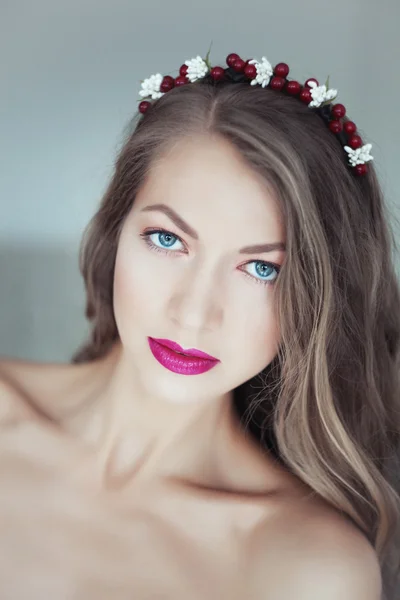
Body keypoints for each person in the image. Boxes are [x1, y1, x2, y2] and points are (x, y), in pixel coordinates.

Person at [0, 49, 399, 600]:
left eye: (262, 269)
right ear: (117, 232)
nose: (193, 312)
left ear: (318, 299)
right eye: (168, 239)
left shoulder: (307, 569)